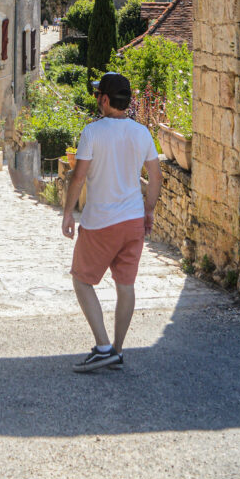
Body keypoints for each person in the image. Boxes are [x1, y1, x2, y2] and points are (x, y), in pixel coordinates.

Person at [62, 71, 162, 372]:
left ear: (105, 99)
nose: (96, 100)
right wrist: (148, 211)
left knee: (81, 280)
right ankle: (117, 350)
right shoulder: (142, 133)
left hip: (101, 221)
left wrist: (67, 212)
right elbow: (155, 177)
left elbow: (79, 177)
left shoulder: (93, 132)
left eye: (97, 95)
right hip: (132, 220)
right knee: (125, 285)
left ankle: (104, 346)